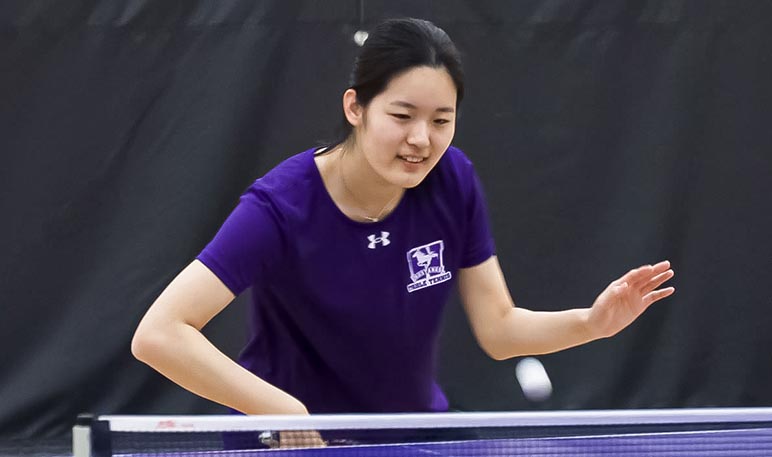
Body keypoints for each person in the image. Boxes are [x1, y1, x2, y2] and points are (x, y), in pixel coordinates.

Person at [132, 18, 675, 419]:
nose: (422, 139)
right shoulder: (281, 206)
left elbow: (500, 330)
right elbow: (159, 333)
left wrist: (592, 323)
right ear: (355, 108)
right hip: (292, 442)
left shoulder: (452, 181)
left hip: (408, 435)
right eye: (402, 115)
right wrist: (285, 413)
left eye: (442, 119)